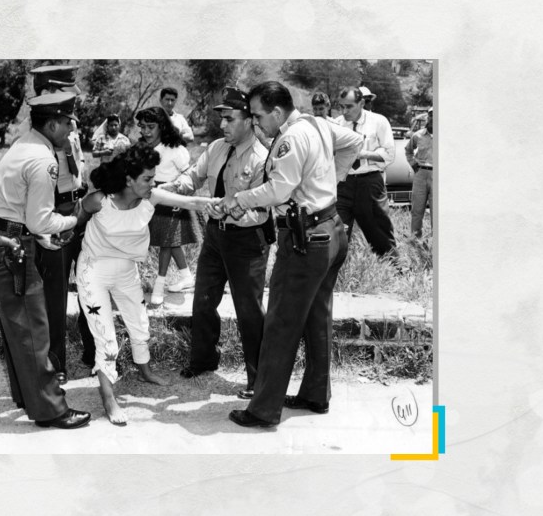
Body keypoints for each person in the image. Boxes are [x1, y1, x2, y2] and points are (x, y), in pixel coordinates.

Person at [220, 81, 363, 428]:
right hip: (330, 229)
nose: (255, 124)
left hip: (306, 239)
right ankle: (316, 394)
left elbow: (278, 189)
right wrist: (331, 180)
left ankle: (263, 409)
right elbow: (354, 142)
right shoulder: (317, 123)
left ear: (278, 112)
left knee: (281, 323)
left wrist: (240, 199)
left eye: (257, 116)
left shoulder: (289, 138)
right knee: (317, 317)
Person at [74, 142, 219, 425]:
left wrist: (217, 204)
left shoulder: (151, 197)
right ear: (128, 179)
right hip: (93, 271)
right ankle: (109, 399)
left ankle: (145, 371)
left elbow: (190, 202)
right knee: (106, 339)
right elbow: (75, 221)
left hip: (127, 271)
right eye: (147, 178)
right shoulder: (99, 201)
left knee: (140, 326)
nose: (153, 183)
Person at [0, 92, 91, 430]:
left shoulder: (23, 144)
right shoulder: (44, 160)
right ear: (53, 123)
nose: (73, 127)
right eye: (69, 121)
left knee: (18, 329)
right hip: (12, 248)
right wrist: (78, 217)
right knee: (33, 331)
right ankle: (51, 410)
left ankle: (28, 396)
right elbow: (43, 220)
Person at [162, 87, 270, 400]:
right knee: (203, 300)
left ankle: (258, 377)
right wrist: (166, 188)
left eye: (230, 119)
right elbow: (191, 179)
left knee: (249, 310)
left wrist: (231, 208)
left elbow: (262, 212)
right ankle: (204, 360)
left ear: (250, 120)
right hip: (215, 236)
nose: (223, 125)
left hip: (247, 240)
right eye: (221, 119)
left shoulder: (262, 159)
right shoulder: (216, 148)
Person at [26, 65, 97, 374]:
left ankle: (97, 354)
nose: (74, 101)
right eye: (67, 93)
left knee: (91, 285)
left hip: (79, 208)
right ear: (47, 92)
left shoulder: (68, 127)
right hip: (54, 214)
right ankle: (56, 362)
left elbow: (77, 168)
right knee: (54, 295)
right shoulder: (36, 137)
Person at [136, 106, 202, 305]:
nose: (146, 131)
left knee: (167, 241)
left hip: (172, 198)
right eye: (143, 127)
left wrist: (176, 190)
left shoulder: (175, 149)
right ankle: (186, 276)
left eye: (151, 127)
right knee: (168, 240)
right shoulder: (142, 146)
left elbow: (188, 175)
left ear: (162, 126)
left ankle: (159, 284)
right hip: (150, 196)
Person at [334, 86, 399, 259]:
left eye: (349, 106)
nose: (344, 111)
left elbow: (389, 154)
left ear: (361, 103)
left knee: (379, 231)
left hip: (369, 183)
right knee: (337, 231)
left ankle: (394, 269)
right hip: (343, 183)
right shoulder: (336, 124)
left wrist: (362, 154)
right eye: (341, 106)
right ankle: (336, 276)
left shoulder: (378, 122)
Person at [405, 107, 433, 238]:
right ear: (428, 117)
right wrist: (413, 164)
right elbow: (408, 150)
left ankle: (437, 243)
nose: (433, 118)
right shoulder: (418, 135)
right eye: (431, 115)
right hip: (421, 174)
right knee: (417, 209)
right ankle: (415, 241)